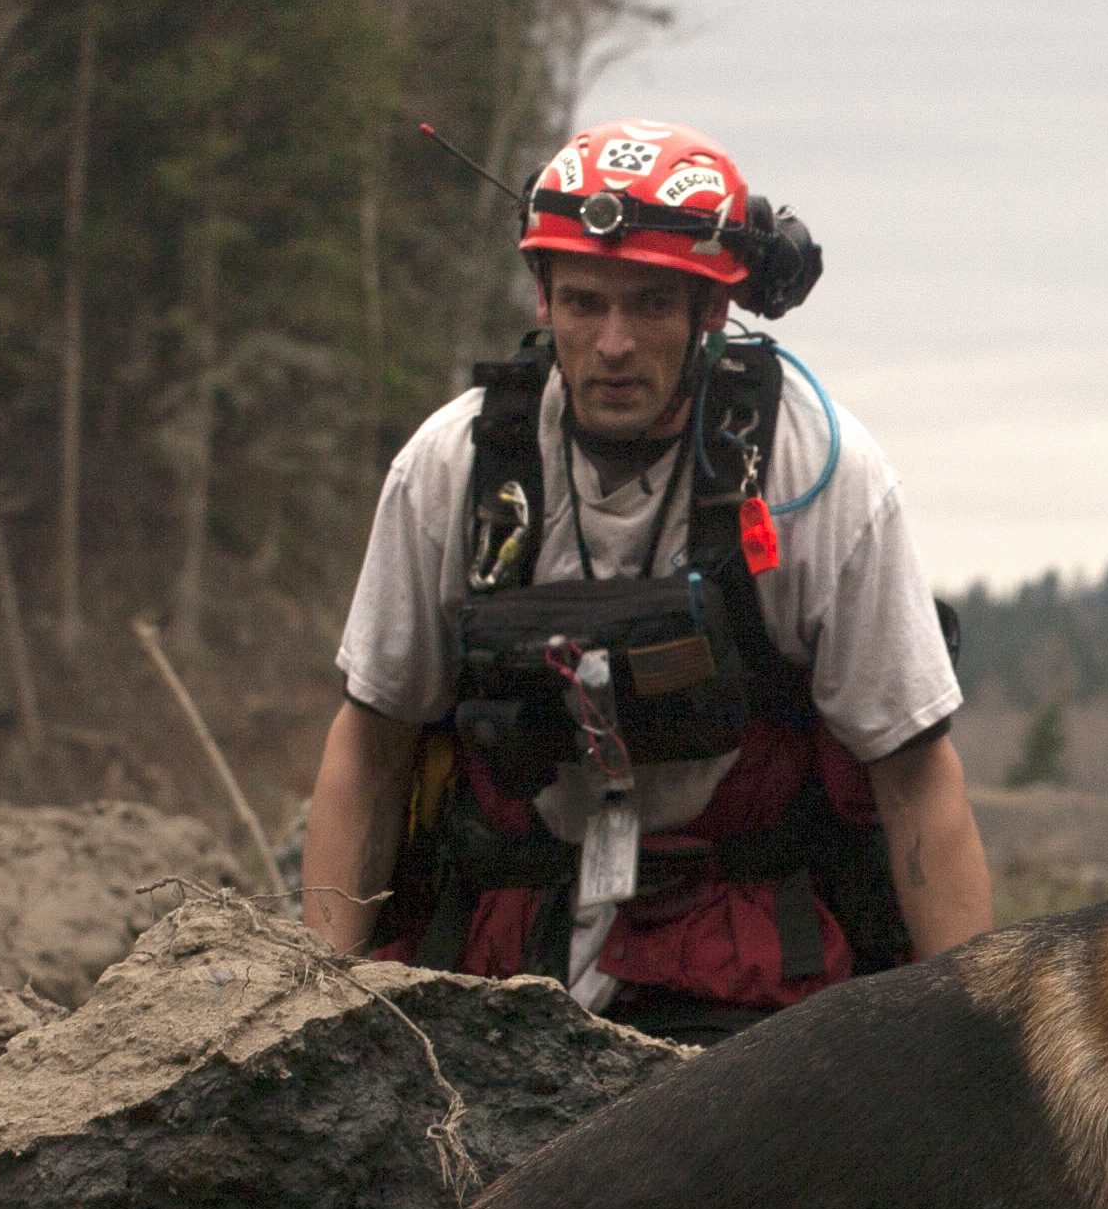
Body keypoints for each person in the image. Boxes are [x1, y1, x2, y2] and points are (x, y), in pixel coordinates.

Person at [301, 119, 991, 1041]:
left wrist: (967, 1042)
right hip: (498, 953)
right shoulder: (454, 466)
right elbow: (372, 744)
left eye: (652, 305)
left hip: (747, 971)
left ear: (711, 308)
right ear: (542, 296)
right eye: (583, 303)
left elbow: (913, 776)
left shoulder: (817, 474)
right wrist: (323, 1004)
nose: (613, 343)